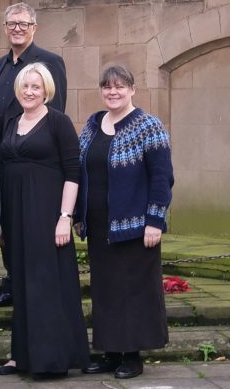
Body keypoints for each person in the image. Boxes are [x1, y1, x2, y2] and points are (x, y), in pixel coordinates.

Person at [75, 65, 174, 380]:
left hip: (135, 226)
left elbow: (162, 177)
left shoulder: (149, 127)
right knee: (105, 291)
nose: (113, 92)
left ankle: (132, 355)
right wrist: (78, 215)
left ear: (132, 89)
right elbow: (81, 173)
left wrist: (155, 220)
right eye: (107, 87)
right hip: (99, 225)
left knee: (134, 291)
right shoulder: (92, 126)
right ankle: (110, 351)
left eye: (119, 86)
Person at [0, 63, 88, 379]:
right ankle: (21, 355)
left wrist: (65, 217)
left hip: (47, 213)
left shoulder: (58, 123)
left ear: (46, 89)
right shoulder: (11, 122)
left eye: (36, 86)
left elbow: (73, 172)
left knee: (46, 283)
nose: (30, 91)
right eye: (25, 86)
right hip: (15, 216)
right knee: (20, 283)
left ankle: (51, 358)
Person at [0, 2, 67, 308]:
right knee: (9, 226)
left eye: (23, 23)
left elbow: (55, 114)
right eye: (11, 24)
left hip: (36, 163)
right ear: (4, 28)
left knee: (33, 228)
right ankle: (12, 284)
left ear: (34, 27)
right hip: (3, 159)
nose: (17, 29)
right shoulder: (0, 66)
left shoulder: (50, 62)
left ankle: (33, 288)